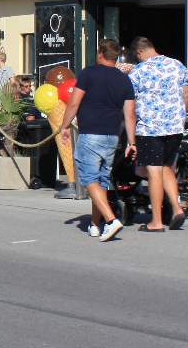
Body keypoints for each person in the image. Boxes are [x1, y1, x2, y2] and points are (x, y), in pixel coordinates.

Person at [57, 38, 135, 242]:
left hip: (91, 133)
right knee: (101, 181)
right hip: (112, 136)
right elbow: (130, 114)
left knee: (89, 179)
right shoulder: (124, 79)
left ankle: (110, 220)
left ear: (100, 53)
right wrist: (131, 142)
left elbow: (74, 102)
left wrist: (64, 126)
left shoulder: (89, 73)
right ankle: (94, 224)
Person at [127, 36, 188, 232]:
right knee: (166, 168)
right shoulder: (177, 65)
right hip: (175, 127)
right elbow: (186, 93)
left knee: (154, 172)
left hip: (150, 128)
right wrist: (179, 115)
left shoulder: (138, 71)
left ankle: (155, 221)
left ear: (139, 53)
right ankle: (177, 208)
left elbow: (131, 104)